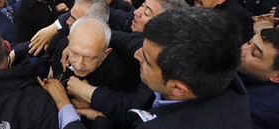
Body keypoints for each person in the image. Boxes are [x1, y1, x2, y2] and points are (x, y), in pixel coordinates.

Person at [40, 8, 253, 129]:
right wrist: (88, 38)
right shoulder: (212, 63)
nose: (137, 55)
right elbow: (133, 43)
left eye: (147, 60)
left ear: (178, 88)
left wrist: (64, 105)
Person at [238, 28, 279, 129]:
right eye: (248, 42)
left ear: (276, 77)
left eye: (254, 54)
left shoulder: (256, 112)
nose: (242, 49)